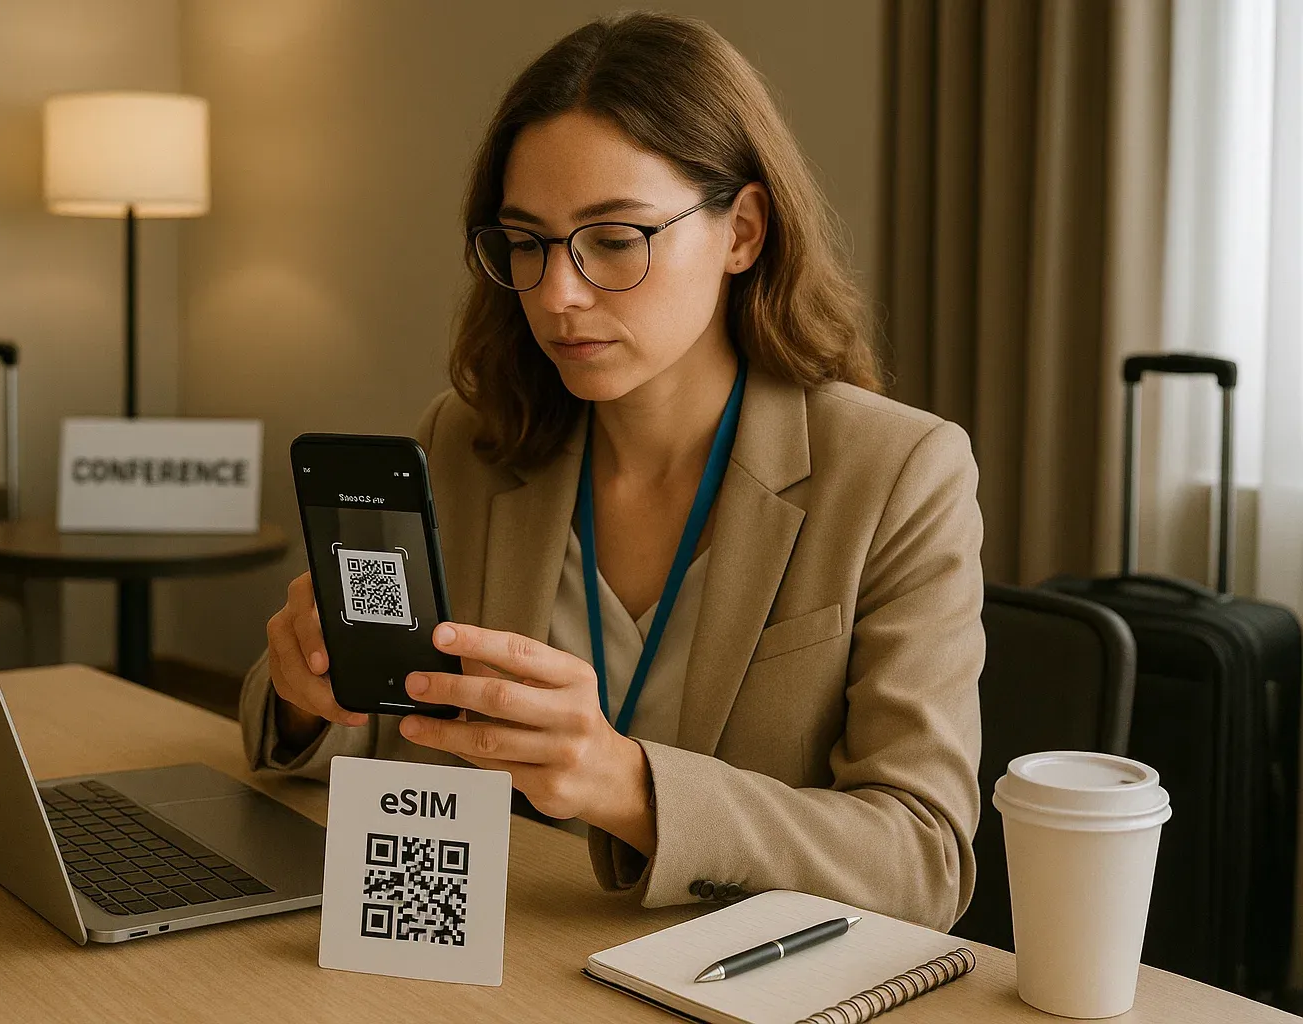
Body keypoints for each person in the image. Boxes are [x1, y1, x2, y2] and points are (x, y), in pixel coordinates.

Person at [239, 11, 983, 931]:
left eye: (616, 238)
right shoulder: (468, 442)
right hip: (493, 963)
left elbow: (923, 859)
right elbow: (387, 737)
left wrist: (626, 783)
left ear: (743, 231)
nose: (558, 294)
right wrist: (307, 698)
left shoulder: (899, 472)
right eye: (527, 241)